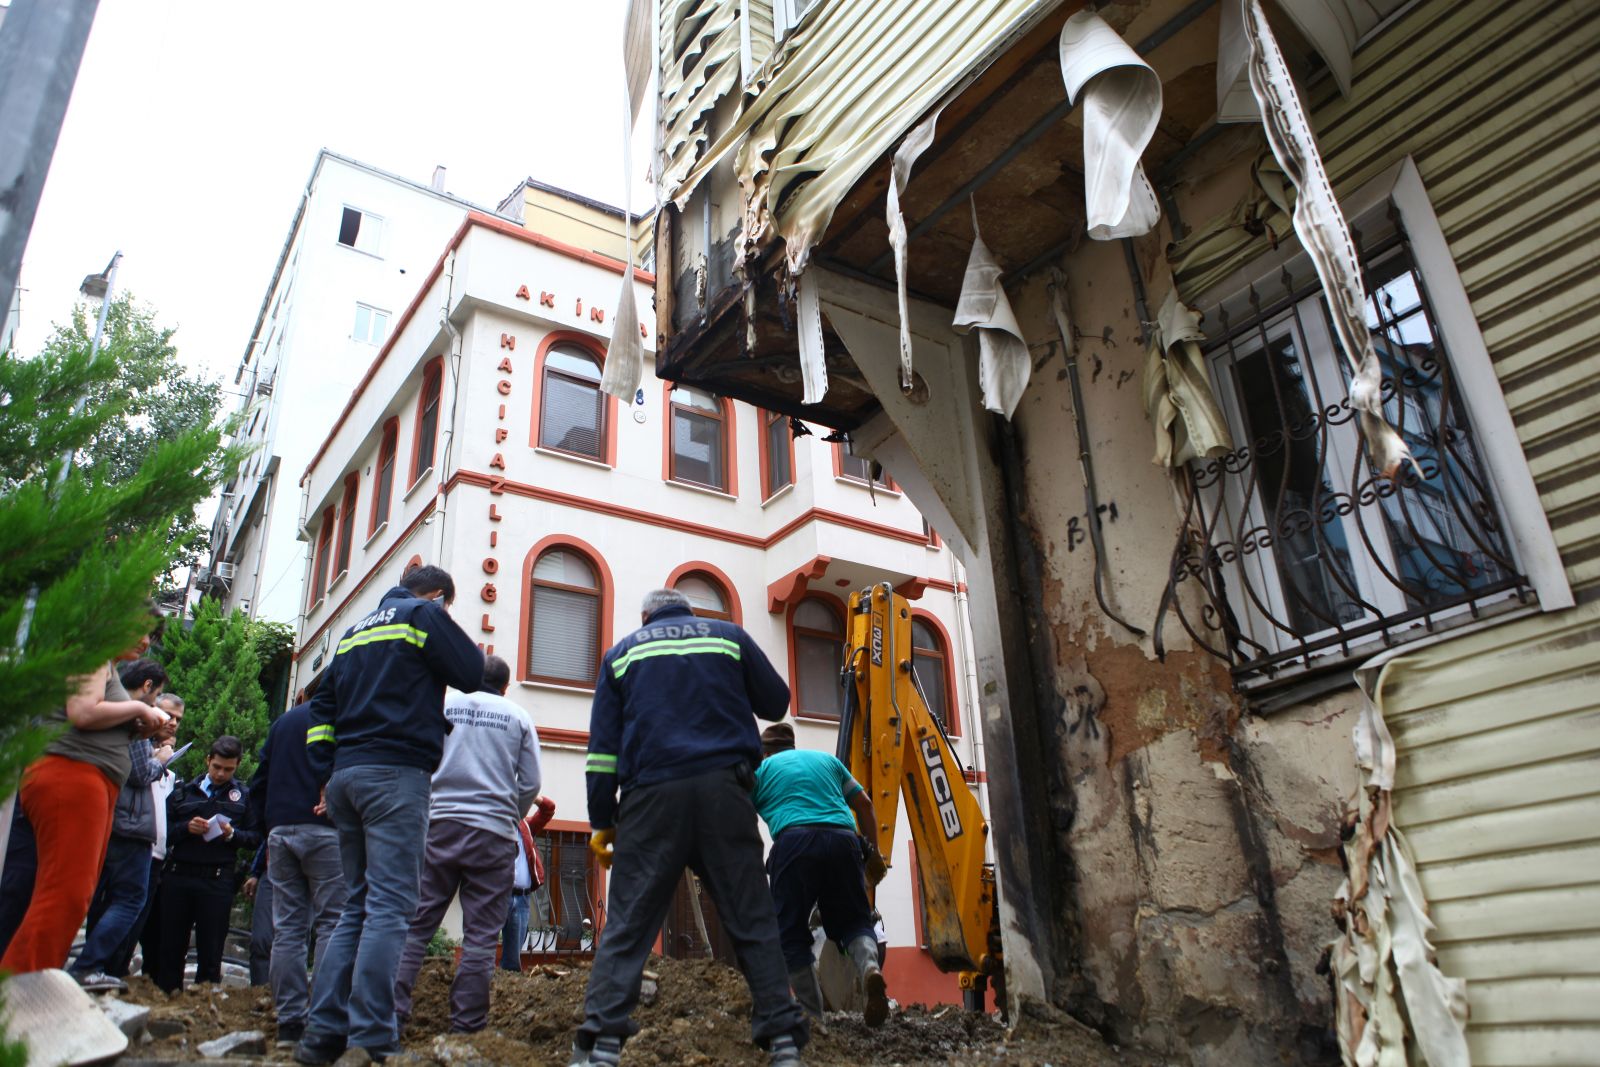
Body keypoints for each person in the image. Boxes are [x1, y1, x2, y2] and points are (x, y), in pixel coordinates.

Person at [572, 589, 809, 1067]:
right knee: (751, 914)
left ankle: (600, 1044)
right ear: (688, 612)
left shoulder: (622, 654)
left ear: (645, 617)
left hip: (650, 800)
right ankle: (783, 1040)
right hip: (725, 792)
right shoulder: (727, 637)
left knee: (629, 921)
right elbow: (777, 702)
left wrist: (602, 821)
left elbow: (602, 751)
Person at [295, 565, 484, 1065]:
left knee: (356, 905)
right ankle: (373, 1034)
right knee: (390, 906)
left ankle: (323, 1034)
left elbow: (322, 707)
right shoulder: (424, 614)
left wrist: (324, 768)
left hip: (346, 778)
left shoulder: (355, 630)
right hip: (395, 775)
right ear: (440, 595)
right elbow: (471, 671)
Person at [0, 617, 169, 973]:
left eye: (151, 636)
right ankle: (20, 994)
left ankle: (27, 985)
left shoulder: (103, 662)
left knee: (67, 894)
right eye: (140, 627)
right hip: (72, 777)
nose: (145, 640)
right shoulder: (93, 653)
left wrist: (135, 727)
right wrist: (139, 709)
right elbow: (83, 711)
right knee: (64, 895)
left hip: (84, 779)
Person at [393, 654, 542, 1034]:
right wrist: (511, 814)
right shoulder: (517, 716)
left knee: (416, 925)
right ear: (506, 687)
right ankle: (467, 1026)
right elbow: (531, 783)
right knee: (480, 937)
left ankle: (390, 1014)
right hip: (492, 834)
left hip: (440, 825)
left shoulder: (445, 707)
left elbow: (419, 759)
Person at [751, 721, 889, 1026]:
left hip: (794, 842)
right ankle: (869, 968)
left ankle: (814, 1015)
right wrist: (874, 854)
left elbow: (738, 818)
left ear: (764, 751)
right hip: (844, 840)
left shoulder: (761, 772)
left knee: (789, 932)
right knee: (855, 921)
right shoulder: (828, 761)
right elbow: (865, 805)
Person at [250, 682, 348, 1050]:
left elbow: (259, 781)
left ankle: (290, 1020)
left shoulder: (283, 723)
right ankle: (323, 1017)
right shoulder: (344, 721)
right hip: (326, 831)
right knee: (332, 924)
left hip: (281, 832)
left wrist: (268, 830)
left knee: (288, 928)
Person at [70, 659, 171, 991]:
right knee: (130, 899)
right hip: (129, 825)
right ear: (146, 687)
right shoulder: (132, 712)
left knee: (100, 897)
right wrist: (161, 760)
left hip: (111, 818)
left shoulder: (109, 704)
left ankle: (84, 966)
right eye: (156, 695)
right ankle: (88, 965)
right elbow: (140, 773)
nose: (156, 704)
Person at [155, 735, 260, 992]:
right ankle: (167, 999)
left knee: (211, 947)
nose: (221, 774)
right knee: (170, 945)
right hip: (179, 875)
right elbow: (161, 830)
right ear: (208, 761)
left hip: (217, 878)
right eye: (217, 767)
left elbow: (255, 837)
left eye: (228, 769)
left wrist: (232, 834)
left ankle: (205, 1000)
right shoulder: (183, 792)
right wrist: (186, 828)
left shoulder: (243, 797)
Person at [120, 692, 185, 978]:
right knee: (123, 914)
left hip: (158, 854)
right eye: (168, 715)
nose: (172, 723)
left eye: (178, 719)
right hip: (131, 843)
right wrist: (158, 760)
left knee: (141, 924)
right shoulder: (137, 748)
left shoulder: (169, 767)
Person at [500, 795, 556, 972]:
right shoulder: (493, 825)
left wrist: (532, 795)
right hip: (497, 896)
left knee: (513, 957)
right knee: (482, 946)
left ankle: (507, 992)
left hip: (522, 898)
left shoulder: (526, 826)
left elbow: (548, 809)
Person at [244, 844, 273, 985]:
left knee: (296, 940)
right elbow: (267, 835)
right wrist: (255, 873)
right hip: (271, 870)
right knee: (260, 940)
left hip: (305, 870)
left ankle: (291, 998)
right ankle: (260, 993)